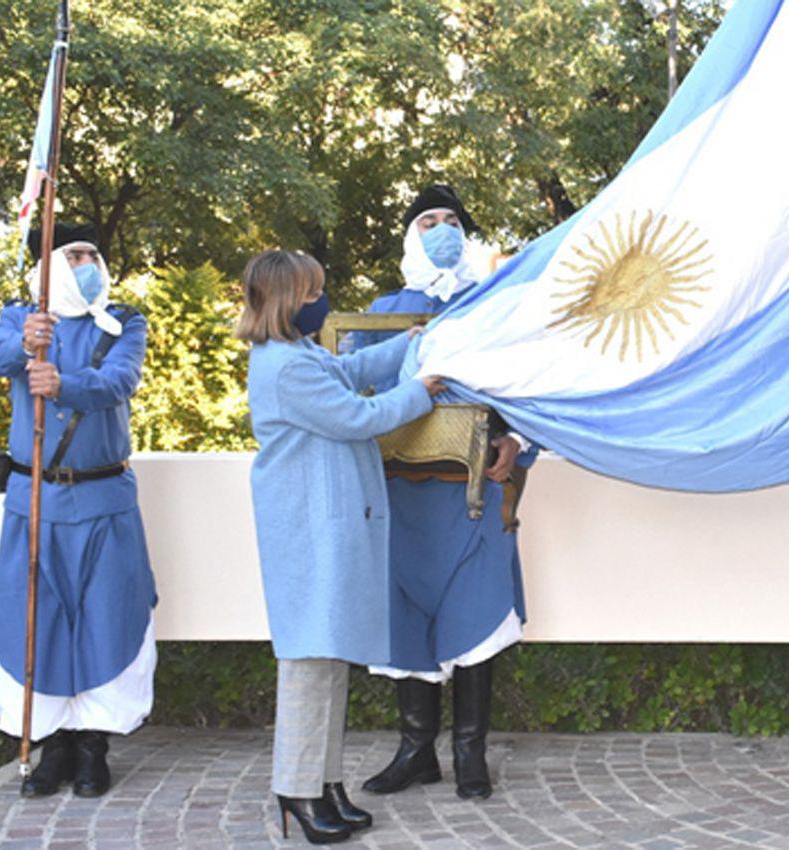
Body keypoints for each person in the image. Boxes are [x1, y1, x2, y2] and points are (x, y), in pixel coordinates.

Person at [239, 249, 444, 844]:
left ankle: (323, 783)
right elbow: (359, 416)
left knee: (328, 661)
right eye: (311, 294)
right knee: (309, 664)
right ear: (284, 300)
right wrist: (423, 390)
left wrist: (410, 342)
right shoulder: (284, 367)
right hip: (307, 532)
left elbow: (352, 374)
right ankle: (297, 790)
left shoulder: (299, 354)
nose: (319, 302)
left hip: (321, 528)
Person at [358, 184, 534, 801]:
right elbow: (356, 395)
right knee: (406, 622)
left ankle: (470, 755)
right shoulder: (383, 308)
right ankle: (415, 752)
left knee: (475, 616)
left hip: (471, 495)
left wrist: (516, 443)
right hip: (401, 496)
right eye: (428, 219)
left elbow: (525, 388)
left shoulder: (495, 302)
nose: (441, 228)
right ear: (410, 236)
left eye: (451, 219)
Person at [0, 223, 156, 799]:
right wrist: (23, 343)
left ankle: (92, 748)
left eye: (92, 255)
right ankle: (51, 745)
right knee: (39, 622)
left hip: (104, 498)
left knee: (106, 617)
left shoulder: (124, 321)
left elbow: (119, 381)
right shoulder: (22, 318)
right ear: (50, 265)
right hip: (35, 500)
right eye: (74, 254)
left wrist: (65, 382)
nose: (87, 263)